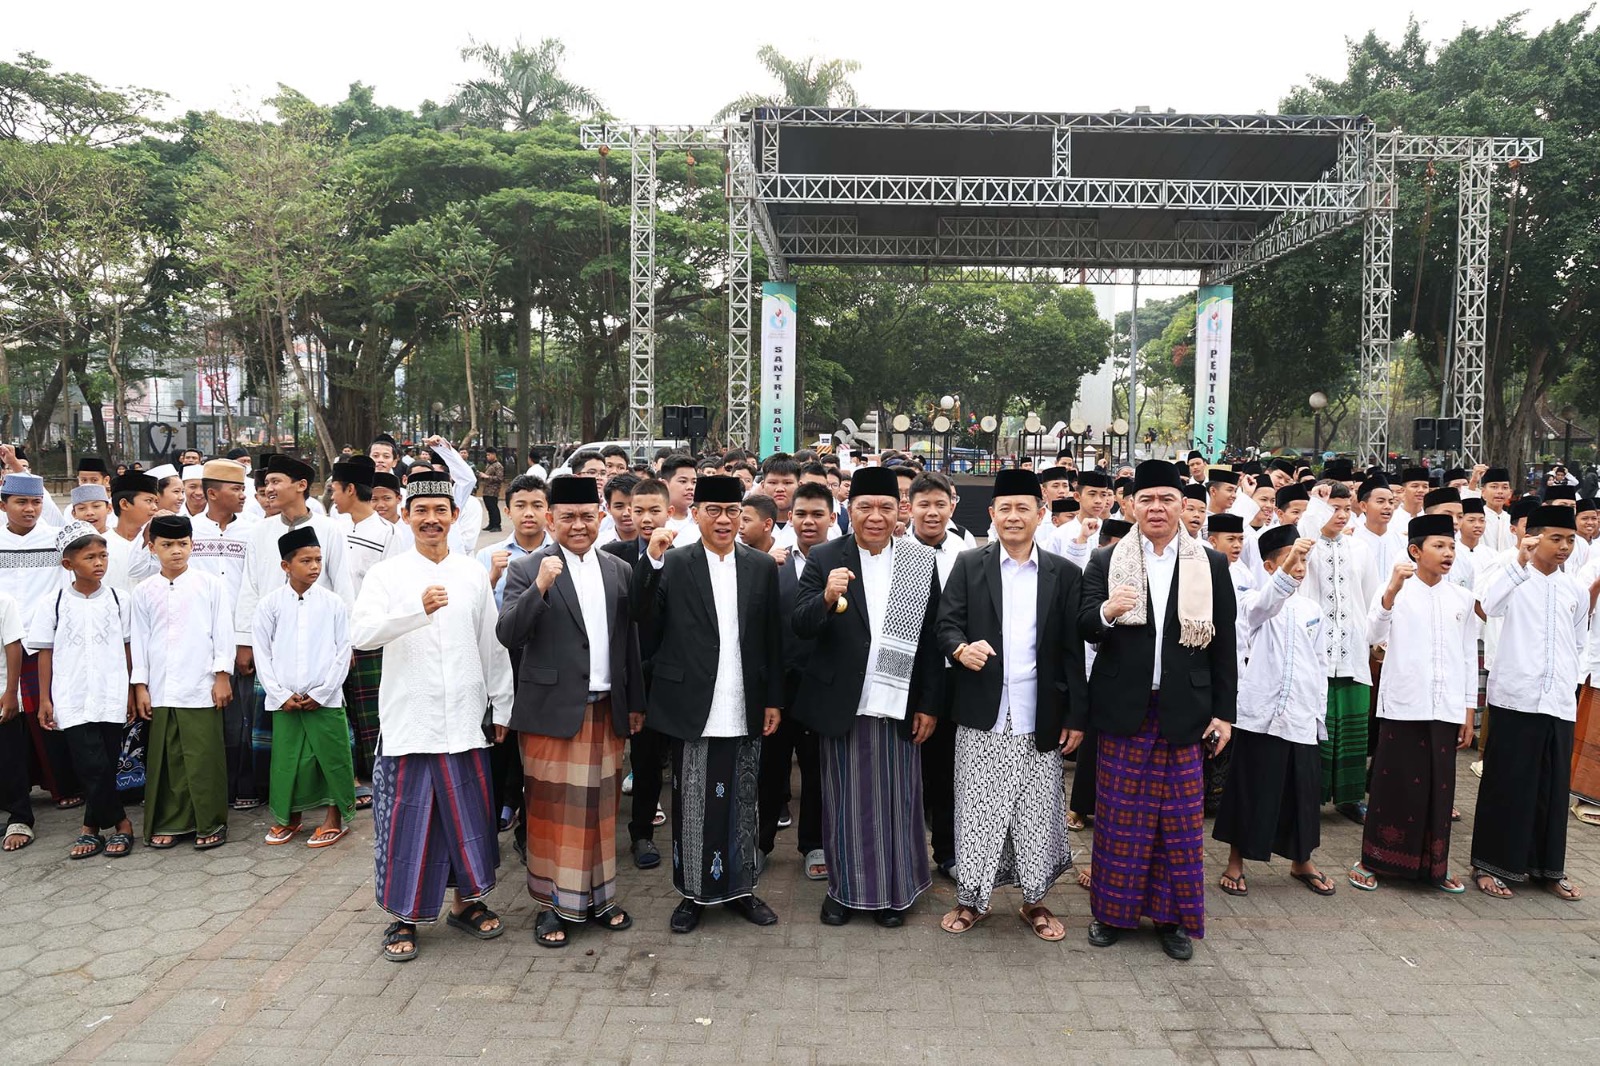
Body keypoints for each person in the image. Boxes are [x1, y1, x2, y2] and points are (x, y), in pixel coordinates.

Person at [1076, 460, 1238, 961]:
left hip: (1184, 710)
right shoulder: (1107, 561)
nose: (1157, 508)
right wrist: (1107, 611)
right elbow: (1082, 622)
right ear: (1131, 506)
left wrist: (1224, 713)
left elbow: (1224, 643)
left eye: (1167, 499)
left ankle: (1172, 920)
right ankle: (1111, 914)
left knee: (1180, 824)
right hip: (1125, 707)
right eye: (1146, 499)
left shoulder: (1208, 563)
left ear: (1183, 506)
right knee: (1121, 820)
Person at [350, 468, 514, 962]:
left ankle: (467, 904)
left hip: (464, 721)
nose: (430, 519)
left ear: (455, 516)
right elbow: (361, 635)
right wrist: (415, 612)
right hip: (410, 723)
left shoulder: (470, 572)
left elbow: (492, 643)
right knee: (410, 821)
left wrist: (502, 702)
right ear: (405, 516)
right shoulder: (388, 575)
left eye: (440, 511)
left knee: (469, 819)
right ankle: (404, 916)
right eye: (420, 511)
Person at [935, 469, 1086, 940]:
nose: (1014, 517)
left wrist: (1076, 716)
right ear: (992, 515)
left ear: (1041, 515)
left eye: (1024, 508)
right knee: (978, 811)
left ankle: (1034, 903)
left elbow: (1071, 652)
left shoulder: (1064, 574)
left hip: (1040, 715)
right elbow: (946, 625)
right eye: (1006, 509)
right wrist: (960, 650)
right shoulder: (969, 565)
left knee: (1036, 812)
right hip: (982, 712)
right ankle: (971, 901)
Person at [792, 467, 945, 929]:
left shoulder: (919, 560)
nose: (874, 517)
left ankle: (895, 893)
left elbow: (934, 639)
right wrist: (824, 596)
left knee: (899, 802)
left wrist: (929, 704)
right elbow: (799, 625)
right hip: (845, 703)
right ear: (849, 510)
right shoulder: (825, 555)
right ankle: (844, 892)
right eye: (864, 508)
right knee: (844, 804)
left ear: (899, 510)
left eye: (884, 507)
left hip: (899, 703)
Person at [496, 475, 646, 947]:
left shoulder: (617, 569)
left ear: (600, 518)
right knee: (550, 813)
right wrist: (538, 587)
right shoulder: (528, 568)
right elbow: (508, 634)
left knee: (600, 813)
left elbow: (630, 644)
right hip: (550, 713)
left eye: (586, 516)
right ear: (549, 519)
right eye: (567, 517)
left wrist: (635, 703)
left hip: (606, 710)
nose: (577, 525)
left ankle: (599, 899)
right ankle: (551, 907)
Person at [634, 475, 784, 934]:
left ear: (743, 517)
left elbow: (772, 640)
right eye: (713, 511)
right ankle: (692, 894)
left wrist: (774, 700)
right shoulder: (674, 563)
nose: (723, 520)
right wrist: (652, 561)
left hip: (744, 700)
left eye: (732, 512)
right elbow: (642, 619)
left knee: (743, 799)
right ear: (695, 513)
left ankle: (742, 890)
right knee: (692, 802)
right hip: (692, 703)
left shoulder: (760, 566)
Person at [1348, 515, 1477, 893]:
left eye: (1451, 547)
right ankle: (1374, 861)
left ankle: (1433, 868)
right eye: (1439, 546)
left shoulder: (1462, 599)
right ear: (1415, 551)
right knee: (1396, 787)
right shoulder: (1396, 591)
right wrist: (1390, 590)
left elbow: (1469, 657)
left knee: (1439, 789)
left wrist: (1467, 710)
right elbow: (1372, 634)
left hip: (1446, 706)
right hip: (1403, 705)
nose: (1448, 553)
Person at [1470, 506, 1590, 901]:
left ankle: (1547, 867)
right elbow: (1487, 604)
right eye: (1556, 539)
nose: (1564, 547)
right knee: (1508, 783)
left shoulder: (1573, 589)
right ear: (1534, 537)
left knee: (1553, 789)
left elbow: (1576, 644)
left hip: (1557, 701)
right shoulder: (1510, 575)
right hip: (1516, 697)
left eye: (1570, 540)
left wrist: (1567, 688)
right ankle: (1490, 864)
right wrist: (1520, 560)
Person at [1213, 529, 1337, 897]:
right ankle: (1236, 862)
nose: (1299, 568)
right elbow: (1268, 602)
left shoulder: (1313, 610)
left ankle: (1302, 860)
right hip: (1261, 714)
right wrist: (1287, 565)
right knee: (1251, 788)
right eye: (1290, 560)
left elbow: (1319, 663)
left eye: (1302, 561)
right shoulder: (1253, 601)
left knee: (1302, 792)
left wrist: (1319, 712)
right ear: (1269, 565)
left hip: (1301, 714)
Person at [131, 514, 235, 850]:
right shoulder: (144, 591)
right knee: (169, 757)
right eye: (167, 545)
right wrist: (140, 686)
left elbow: (223, 633)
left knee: (203, 757)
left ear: (192, 544)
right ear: (152, 547)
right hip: (161, 685)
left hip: (201, 681)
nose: (176, 551)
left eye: (182, 544)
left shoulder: (210, 585)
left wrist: (222, 675)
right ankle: (170, 822)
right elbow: (140, 640)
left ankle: (210, 822)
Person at [32, 522, 135, 859]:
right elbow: (45, 653)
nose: (99, 563)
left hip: (111, 692)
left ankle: (90, 828)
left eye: (103, 555)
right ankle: (121, 823)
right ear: (68, 564)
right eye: (90, 557)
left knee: (105, 761)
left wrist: (133, 690)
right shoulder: (54, 602)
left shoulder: (120, 598)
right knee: (89, 764)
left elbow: (128, 647)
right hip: (71, 694)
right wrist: (45, 698)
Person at [256, 528, 355, 848]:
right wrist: (280, 694)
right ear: (286, 566)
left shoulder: (333, 603)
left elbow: (343, 651)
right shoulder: (269, 604)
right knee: (289, 761)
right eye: (306, 560)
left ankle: (333, 819)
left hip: (324, 698)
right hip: (285, 700)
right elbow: (262, 652)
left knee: (330, 757)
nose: (315, 567)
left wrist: (322, 692)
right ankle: (289, 818)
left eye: (318, 560)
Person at [759, 481, 831, 881]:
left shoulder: (844, 560)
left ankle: (814, 844)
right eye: (801, 514)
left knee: (818, 771)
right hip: (778, 686)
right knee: (770, 770)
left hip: (822, 686)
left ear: (832, 518)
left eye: (817, 514)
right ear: (791, 517)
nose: (808, 521)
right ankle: (761, 842)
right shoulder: (772, 563)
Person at [1295, 483, 1378, 824]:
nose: (1341, 515)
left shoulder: (1361, 549)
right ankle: (1309, 796)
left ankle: (1350, 797)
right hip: (1316, 649)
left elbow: (1372, 599)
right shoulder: (1305, 546)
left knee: (1353, 727)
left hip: (1353, 649)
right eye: (1335, 508)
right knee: (1319, 724)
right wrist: (1316, 505)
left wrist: (1375, 640)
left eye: (1347, 508)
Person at [0, 471, 80, 811]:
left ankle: (60, 785)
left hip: (42, 641)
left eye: (35, 502)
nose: (29, 509)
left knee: (45, 715)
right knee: (9, 716)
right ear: (4, 505)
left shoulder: (57, 537)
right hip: (4, 645)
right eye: (21, 502)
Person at [905, 471, 971, 881]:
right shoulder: (894, 552)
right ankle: (906, 852)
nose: (932, 513)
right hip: (904, 679)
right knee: (907, 772)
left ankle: (946, 851)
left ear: (952, 506)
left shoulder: (966, 553)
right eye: (923, 504)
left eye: (940, 504)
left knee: (947, 770)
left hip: (953, 677)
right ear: (908, 508)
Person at [602, 478, 671, 866]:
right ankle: (616, 833)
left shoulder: (687, 555)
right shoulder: (612, 556)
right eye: (635, 509)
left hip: (665, 675)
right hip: (622, 674)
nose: (643, 518)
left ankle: (644, 833)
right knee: (621, 761)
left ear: (669, 512)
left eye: (653, 510)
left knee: (651, 764)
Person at [187, 460, 262, 810]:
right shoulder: (187, 530)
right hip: (198, 637)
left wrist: (244, 641)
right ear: (212, 493)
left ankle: (242, 784)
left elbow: (253, 586)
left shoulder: (253, 530)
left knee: (240, 714)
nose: (243, 495)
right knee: (203, 715)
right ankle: (206, 786)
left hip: (239, 638)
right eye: (236, 489)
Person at [479, 448, 505, 533]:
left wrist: (487, 477)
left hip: (493, 490)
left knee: (493, 507)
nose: (488, 456)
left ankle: (497, 525)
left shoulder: (498, 466)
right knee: (489, 507)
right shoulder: (489, 465)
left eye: (489, 455)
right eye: (487, 455)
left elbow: (500, 478)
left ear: (494, 454)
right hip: (486, 489)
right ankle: (491, 524)